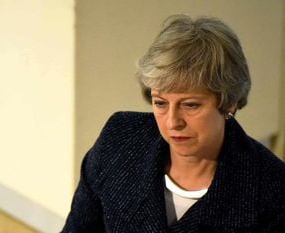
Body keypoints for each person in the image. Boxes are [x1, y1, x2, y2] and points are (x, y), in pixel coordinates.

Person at [62, 15, 285, 232]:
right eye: (160, 103)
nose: (172, 122)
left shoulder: (272, 190)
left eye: (190, 105)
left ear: (229, 103)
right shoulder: (118, 140)